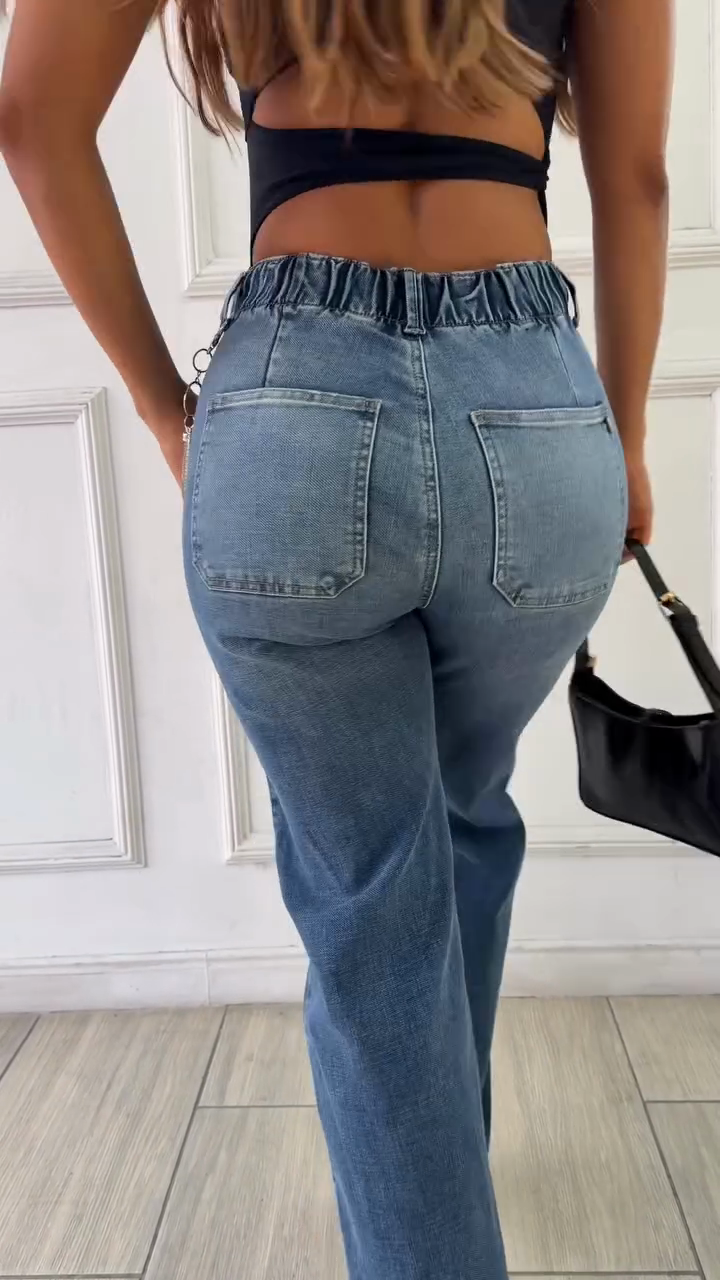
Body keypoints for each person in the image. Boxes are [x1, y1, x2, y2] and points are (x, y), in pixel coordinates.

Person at [0, 1, 672, 1276]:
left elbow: (33, 118)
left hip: (292, 416)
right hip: (534, 424)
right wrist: (625, 439)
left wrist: (162, 406)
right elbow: (634, 177)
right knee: (460, 811)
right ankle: (438, 1169)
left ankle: (427, 1201)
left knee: (379, 902)